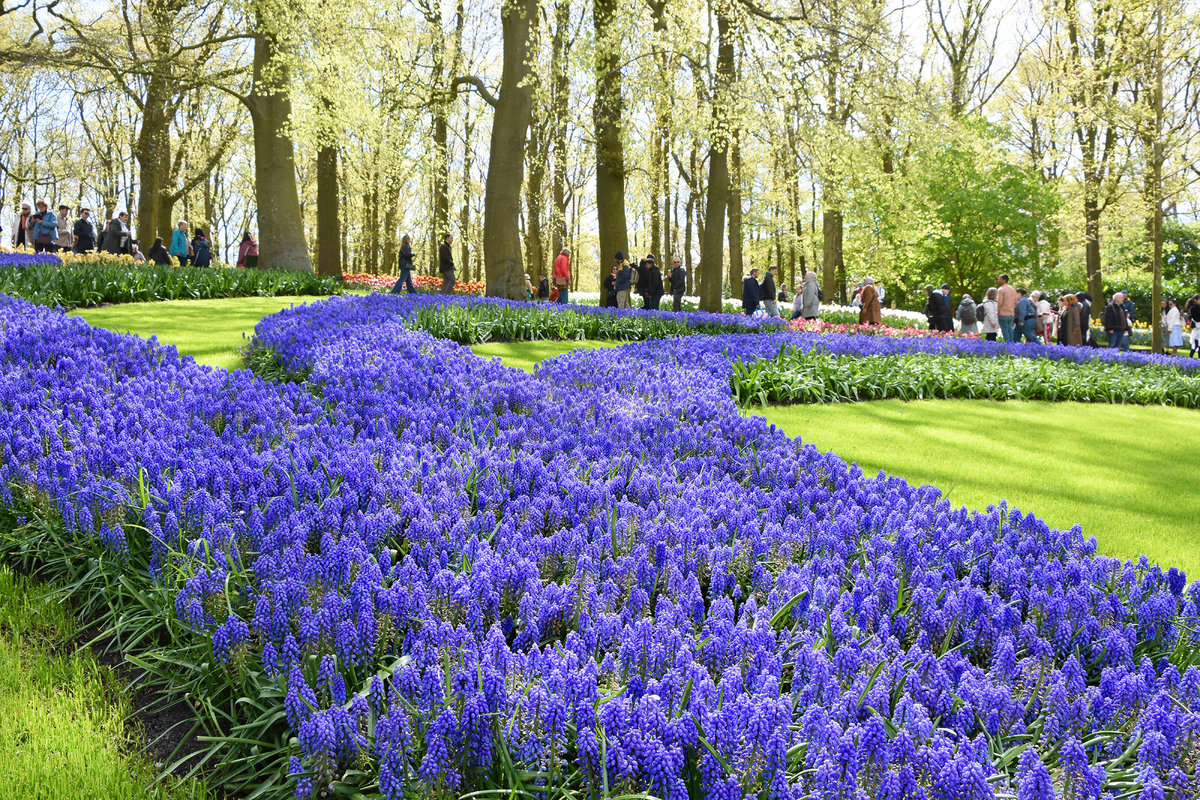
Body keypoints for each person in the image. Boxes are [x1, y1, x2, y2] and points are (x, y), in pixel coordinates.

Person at [996, 274, 1018, 342]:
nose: (999, 281)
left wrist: (998, 312)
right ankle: (1012, 344)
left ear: (1004, 280)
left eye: (1000, 279)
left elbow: (999, 302)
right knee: (1010, 330)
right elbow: (1016, 302)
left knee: (1005, 330)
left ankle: (1008, 346)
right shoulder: (1013, 290)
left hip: (1003, 313)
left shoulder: (1001, 289)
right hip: (1011, 313)